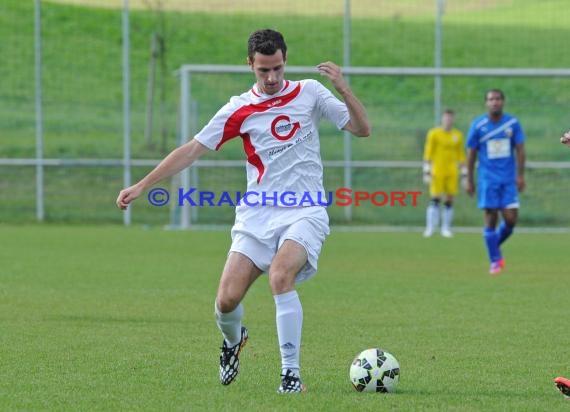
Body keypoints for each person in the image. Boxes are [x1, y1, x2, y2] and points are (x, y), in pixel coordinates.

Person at [116, 29, 370, 393]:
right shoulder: (238, 109)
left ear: (285, 61)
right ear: (250, 64)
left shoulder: (310, 93)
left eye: (278, 69)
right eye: (263, 70)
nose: (271, 78)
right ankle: (234, 341)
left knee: (280, 276)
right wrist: (142, 185)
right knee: (226, 300)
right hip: (258, 215)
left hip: (305, 210)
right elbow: (191, 150)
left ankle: (291, 374)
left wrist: (344, 89)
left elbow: (362, 130)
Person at [465, 89, 525, 275]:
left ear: (503, 102)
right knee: (490, 218)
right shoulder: (478, 126)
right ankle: (495, 261)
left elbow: (520, 150)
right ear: (486, 103)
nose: (494, 102)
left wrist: (520, 175)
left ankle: (493, 245)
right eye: (491, 99)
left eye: (498, 99)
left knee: (511, 220)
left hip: (507, 179)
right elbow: (471, 155)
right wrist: (469, 180)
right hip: (487, 180)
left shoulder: (512, 124)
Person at [422, 109, 466, 238]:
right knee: (435, 198)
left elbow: (461, 155)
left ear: (453, 120)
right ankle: (430, 227)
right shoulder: (434, 133)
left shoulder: (457, 135)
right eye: (446, 118)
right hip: (437, 171)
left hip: (452, 171)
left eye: (450, 118)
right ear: (442, 119)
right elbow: (428, 152)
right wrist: (426, 170)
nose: (448, 120)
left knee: (449, 200)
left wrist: (464, 173)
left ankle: (445, 228)